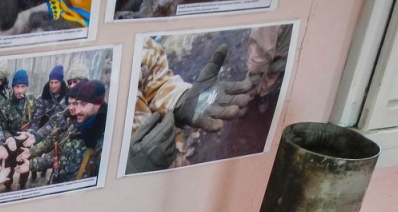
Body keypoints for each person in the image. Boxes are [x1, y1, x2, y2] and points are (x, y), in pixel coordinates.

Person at [126, 37, 252, 173]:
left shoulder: (131, 43)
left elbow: (153, 79)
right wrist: (129, 170)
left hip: (172, 158)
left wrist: (180, 100)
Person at [19, 78, 107, 184]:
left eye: (82, 104)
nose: (75, 109)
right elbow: (55, 142)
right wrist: (32, 156)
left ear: (98, 104)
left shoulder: (104, 143)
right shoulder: (74, 125)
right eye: (71, 103)